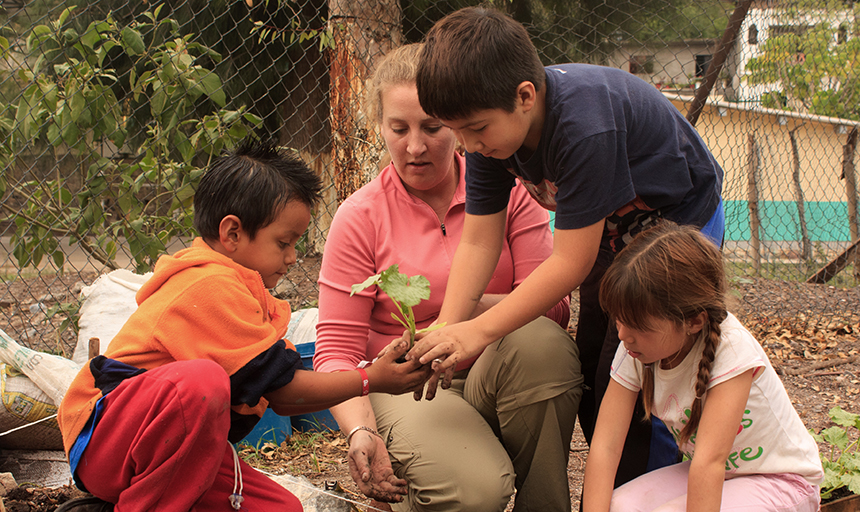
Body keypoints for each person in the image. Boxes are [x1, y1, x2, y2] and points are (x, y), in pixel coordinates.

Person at [409, 6, 726, 486]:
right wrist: (451, 326)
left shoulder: (584, 125)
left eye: (475, 129)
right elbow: (478, 238)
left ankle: (659, 489)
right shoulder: (491, 137)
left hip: (680, 228)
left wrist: (479, 332)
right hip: (613, 233)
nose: (468, 146)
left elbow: (570, 263)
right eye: (458, 131)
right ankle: (617, 489)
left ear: (524, 96)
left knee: (648, 370)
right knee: (597, 371)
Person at [56, 141, 431, 512]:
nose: (293, 256)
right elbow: (285, 392)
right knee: (202, 382)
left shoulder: (245, 293)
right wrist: (372, 379)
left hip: (182, 457)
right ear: (232, 233)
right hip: (106, 443)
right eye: (283, 242)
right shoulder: (207, 285)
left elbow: (282, 394)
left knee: (283, 509)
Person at [314, 43, 583, 512]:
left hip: (497, 369)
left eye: (432, 127)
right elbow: (337, 351)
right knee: (475, 493)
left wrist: (463, 316)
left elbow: (554, 307)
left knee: (541, 343)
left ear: (458, 126)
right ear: (380, 126)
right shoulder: (359, 216)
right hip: (409, 388)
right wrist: (361, 428)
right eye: (398, 128)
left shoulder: (510, 190)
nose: (414, 146)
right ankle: (438, 487)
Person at [581, 221, 823, 511]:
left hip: (780, 481)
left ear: (694, 321)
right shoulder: (636, 347)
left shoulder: (732, 351)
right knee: (619, 505)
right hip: (722, 473)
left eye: (637, 325)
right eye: (619, 319)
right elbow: (606, 447)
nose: (622, 335)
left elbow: (710, 463)